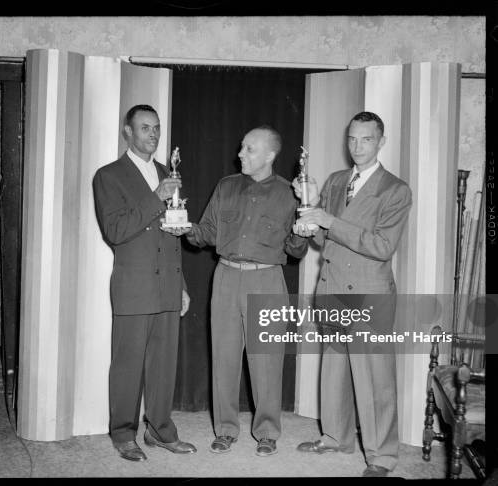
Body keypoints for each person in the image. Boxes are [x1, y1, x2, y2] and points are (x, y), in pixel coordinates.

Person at [164, 125, 309, 456]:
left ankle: (268, 432)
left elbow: (296, 250)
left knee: (267, 362)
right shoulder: (226, 187)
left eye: (249, 149)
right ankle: (225, 429)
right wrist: (186, 228)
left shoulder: (291, 194)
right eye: (242, 147)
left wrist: (303, 231)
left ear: (270, 155)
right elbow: (208, 233)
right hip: (226, 278)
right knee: (224, 357)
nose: (240, 153)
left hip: (267, 280)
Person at [293, 111, 412, 477]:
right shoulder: (335, 180)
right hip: (331, 288)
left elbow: (381, 246)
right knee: (335, 369)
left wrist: (329, 220)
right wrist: (309, 217)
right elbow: (323, 239)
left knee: (374, 378)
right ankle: (335, 437)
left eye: (366, 139)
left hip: (368, 293)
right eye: (352, 139)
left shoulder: (395, 189)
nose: (358, 147)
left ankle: (382, 457)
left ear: (381, 141)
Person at [93, 104, 196, 462]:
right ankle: (123, 433)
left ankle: (160, 430)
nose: (152, 135)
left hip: (168, 285)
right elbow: (116, 231)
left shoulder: (168, 172)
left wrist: (181, 285)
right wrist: (157, 197)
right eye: (144, 128)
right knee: (128, 364)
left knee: (164, 364)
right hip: (134, 285)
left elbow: (172, 235)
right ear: (127, 132)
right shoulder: (108, 176)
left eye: (156, 128)